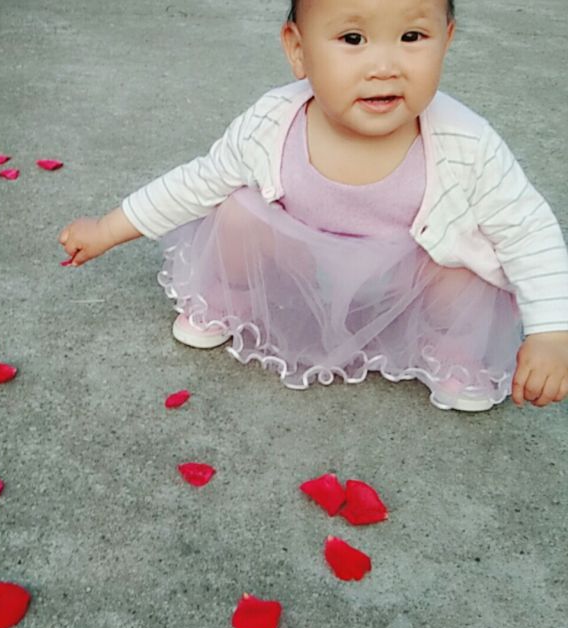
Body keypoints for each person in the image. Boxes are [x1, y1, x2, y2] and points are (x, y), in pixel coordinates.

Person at [58, 0, 568, 412]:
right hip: (300, 274)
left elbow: (528, 231)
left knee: (467, 273)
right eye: (353, 39)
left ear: (447, 39)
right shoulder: (273, 123)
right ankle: (232, 298)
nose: (385, 67)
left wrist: (552, 333)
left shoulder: (467, 144)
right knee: (235, 210)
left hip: (408, 288)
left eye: (412, 37)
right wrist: (107, 229)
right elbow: (197, 182)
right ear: (298, 50)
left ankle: (450, 350)